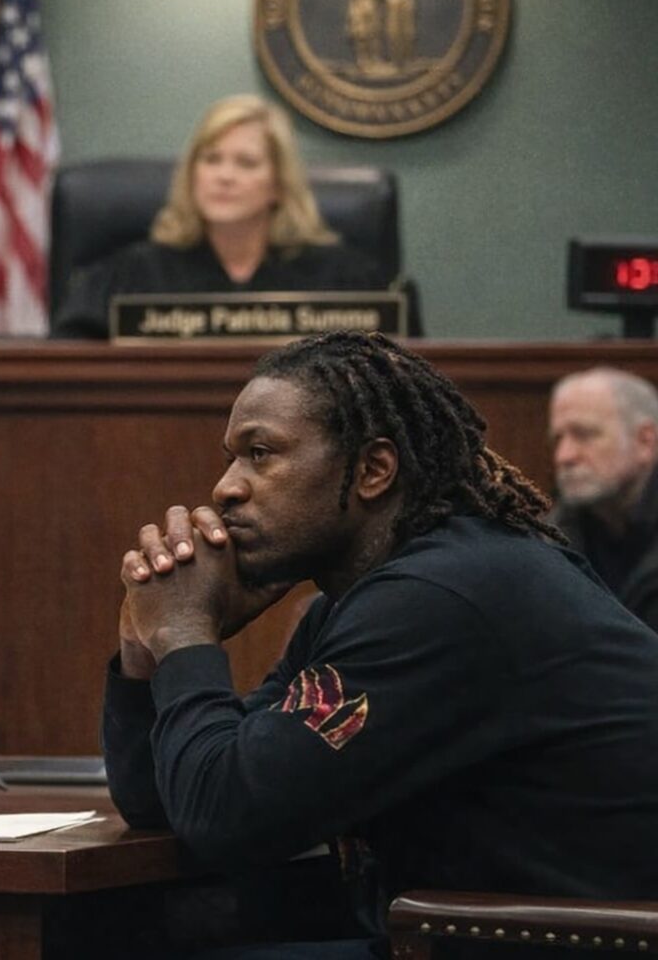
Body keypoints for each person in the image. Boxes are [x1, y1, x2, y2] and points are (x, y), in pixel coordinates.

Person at [104, 332, 658, 956]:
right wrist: (143, 649)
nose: (227, 487)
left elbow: (224, 818)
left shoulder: (440, 600)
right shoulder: (362, 603)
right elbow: (169, 801)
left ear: (373, 470)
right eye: (233, 458)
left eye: (261, 454)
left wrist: (185, 634)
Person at [51, 95, 385, 338]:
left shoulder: (345, 279)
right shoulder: (131, 276)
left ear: (279, 185)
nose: (224, 176)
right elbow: (68, 368)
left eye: (246, 163)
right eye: (211, 159)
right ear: (192, 174)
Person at [548, 366, 658, 631]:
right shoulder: (545, 539)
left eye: (584, 435)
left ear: (645, 441)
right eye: (557, 440)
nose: (564, 456)